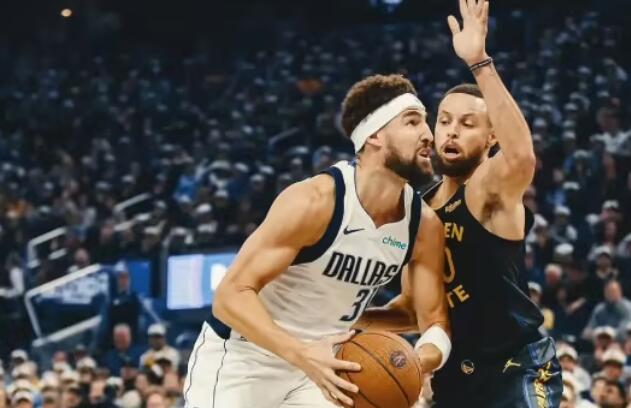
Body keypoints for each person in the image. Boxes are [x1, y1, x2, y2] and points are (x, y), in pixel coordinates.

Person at [183, 73, 450, 407]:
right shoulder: (315, 202)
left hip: (326, 363)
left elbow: (429, 320)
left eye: (425, 122)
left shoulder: (423, 225)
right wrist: (301, 352)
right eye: (412, 122)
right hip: (246, 356)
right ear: (374, 135)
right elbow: (229, 296)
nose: (429, 134)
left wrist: (417, 361)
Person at [356, 1, 562, 406]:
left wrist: (479, 63)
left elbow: (521, 157)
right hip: (455, 378)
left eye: (468, 124)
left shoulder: (488, 191)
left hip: (515, 366)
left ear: (491, 139)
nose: (451, 132)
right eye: (445, 120)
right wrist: (348, 319)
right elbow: (413, 310)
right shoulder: (416, 210)